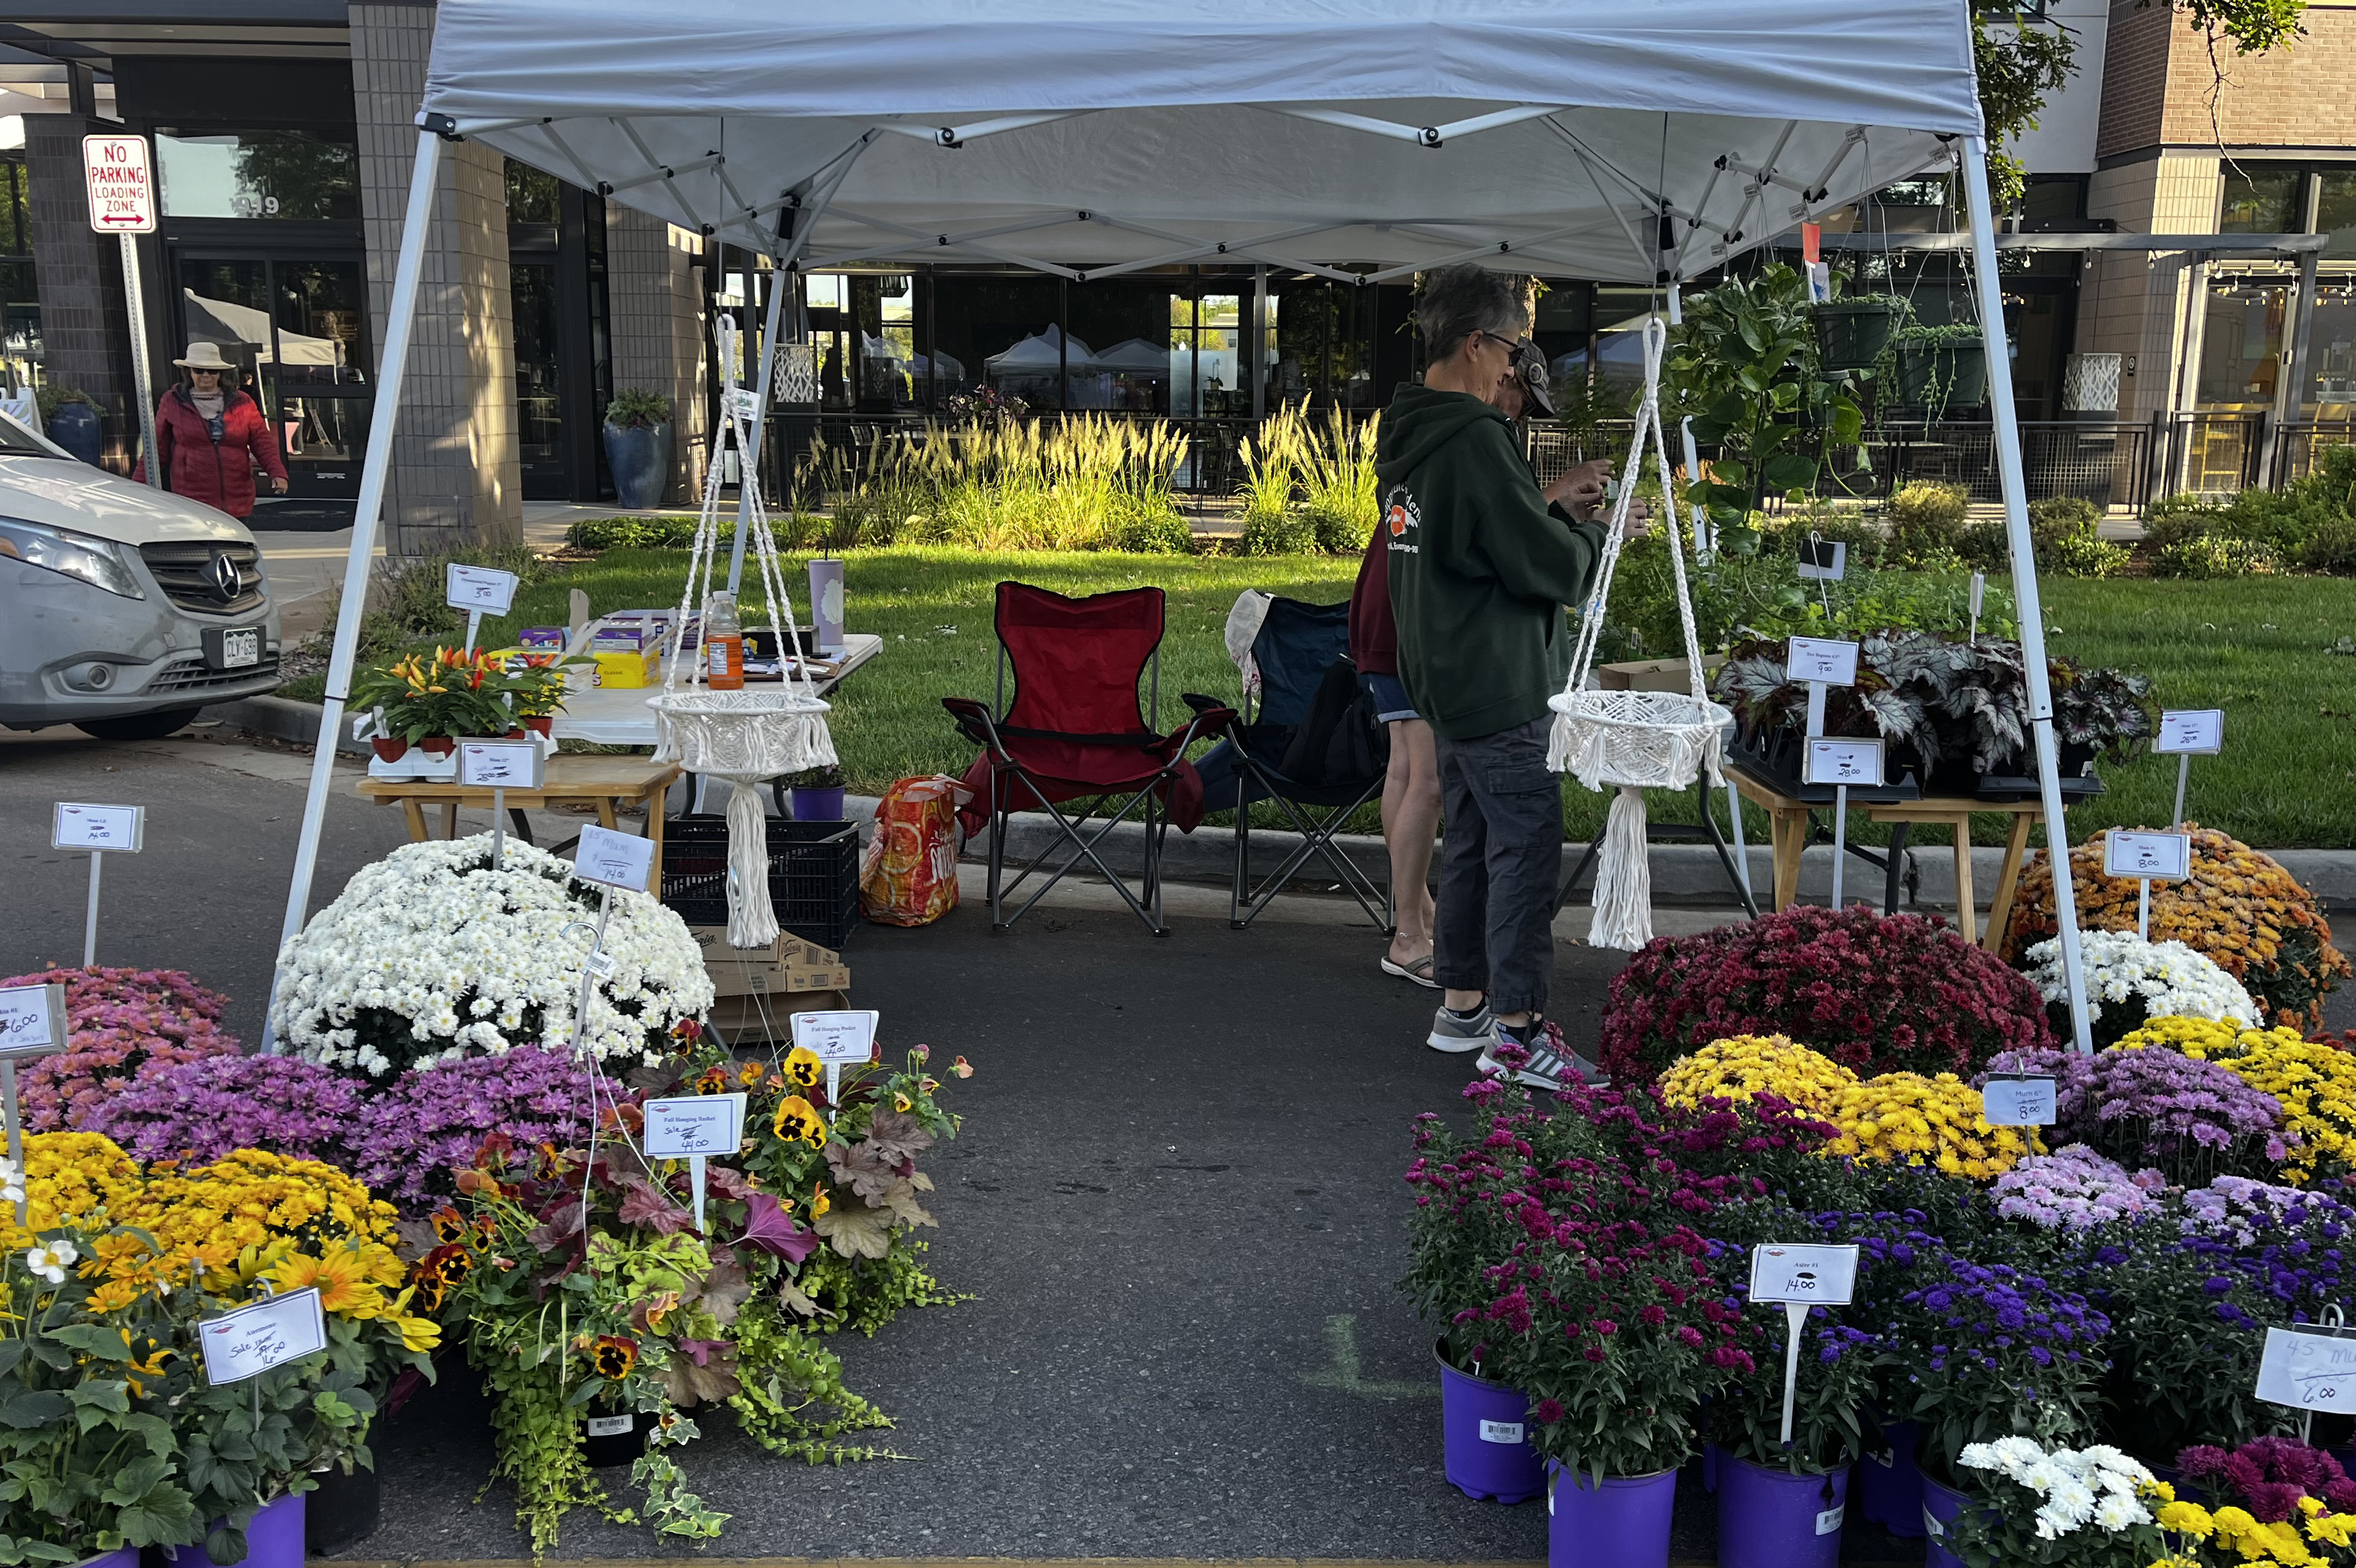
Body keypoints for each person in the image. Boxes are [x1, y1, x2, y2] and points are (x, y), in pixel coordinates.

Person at [1380, 265, 1616, 1088]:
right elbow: (1539, 564)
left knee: (1476, 843)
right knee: (1522, 851)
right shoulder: (1474, 438)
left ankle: (1462, 1003)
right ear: (1475, 342)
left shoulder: (1412, 431)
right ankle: (1518, 1034)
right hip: (1499, 680)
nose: (1513, 369)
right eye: (1511, 350)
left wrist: (1544, 516)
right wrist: (1586, 538)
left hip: (1445, 679)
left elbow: (1469, 545)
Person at [133, 342, 287, 519]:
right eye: (199, 370)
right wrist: (139, 485)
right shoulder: (172, 401)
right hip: (191, 499)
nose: (206, 375)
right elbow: (156, 449)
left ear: (220, 373)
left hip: (237, 497)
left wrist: (277, 474)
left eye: (212, 371)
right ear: (189, 372)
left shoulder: (242, 401)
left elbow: (262, 442)